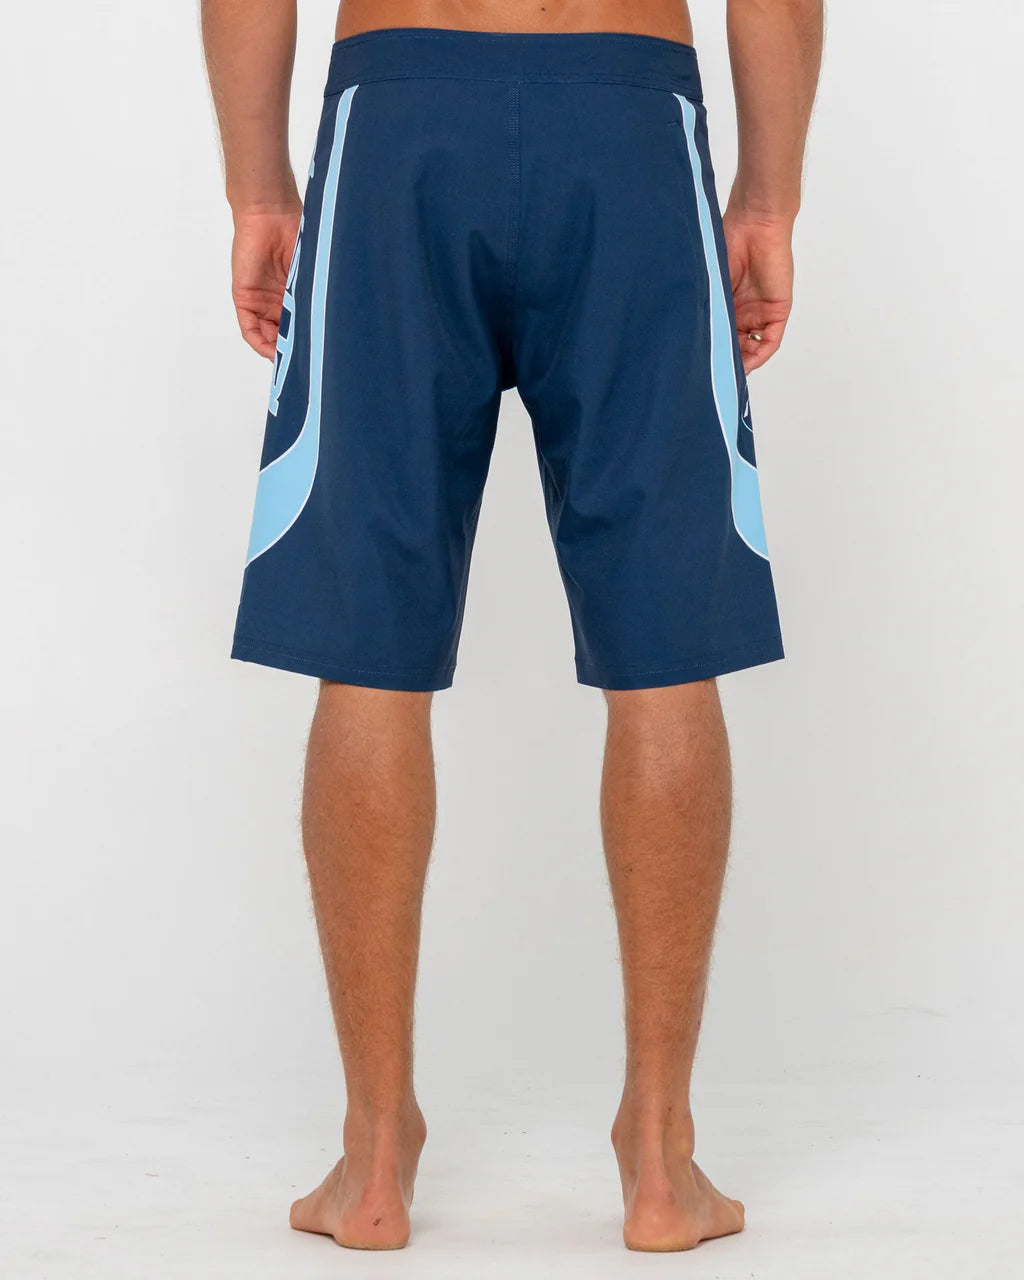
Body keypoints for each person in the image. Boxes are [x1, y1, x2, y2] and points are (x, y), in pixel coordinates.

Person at [202, 0, 822, 1254]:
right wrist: (767, 199)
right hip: (629, 117)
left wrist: (258, 186)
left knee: (368, 650)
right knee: (664, 650)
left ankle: (373, 1154)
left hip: (399, 111)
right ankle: (662, 1159)